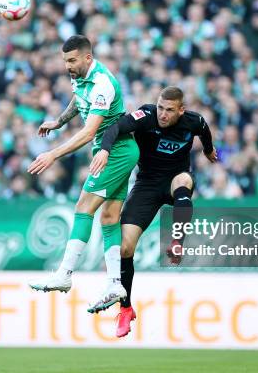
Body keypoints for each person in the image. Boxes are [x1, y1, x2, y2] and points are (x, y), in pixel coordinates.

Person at [89, 86, 217, 337]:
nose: (163, 114)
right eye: (160, 107)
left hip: (174, 177)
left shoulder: (193, 121)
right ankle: (125, 309)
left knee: (184, 184)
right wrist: (104, 149)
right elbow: (116, 128)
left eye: (169, 110)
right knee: (125, 247)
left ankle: (177, 241)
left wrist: (208, 150)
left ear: (181, 110)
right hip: (146, 184)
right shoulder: (145, 116)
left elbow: (205, 131)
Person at [27, 35, 140, 313]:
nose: (67, 66)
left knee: (83, 207)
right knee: (110, 217)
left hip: (115, 151)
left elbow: (90, 131)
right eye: (65, 60)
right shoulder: (80, 76)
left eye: (72, 60)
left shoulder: (102, 82)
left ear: (87, 58)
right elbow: (78, 101)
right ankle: (115, 282)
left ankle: (65, 274)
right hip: (113, 151)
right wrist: (59, 121)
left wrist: (53, 153)